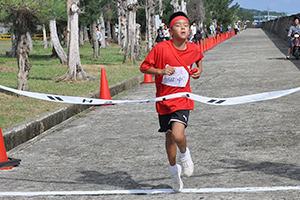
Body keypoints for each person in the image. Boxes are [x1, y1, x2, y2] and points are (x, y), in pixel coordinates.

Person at [140, 11, 204, 192]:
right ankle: (173, 170)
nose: (183, 27)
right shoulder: (161, 48)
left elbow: (199, 59)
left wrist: (199, 71)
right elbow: (144, 67)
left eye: (186, 25)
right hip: (163, 101)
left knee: (177, 135)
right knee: (169, 137)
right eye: (178, 25)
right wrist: (160, 72)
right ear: (170, 30)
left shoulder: (193, 48)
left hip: (183, 99)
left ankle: (185, 154)